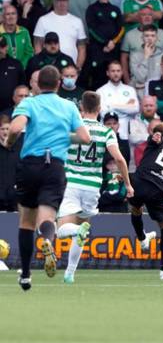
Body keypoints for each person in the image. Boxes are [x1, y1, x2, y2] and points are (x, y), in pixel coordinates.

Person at [6, 65, 91, 291]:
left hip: (30, 165)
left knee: (25, 221)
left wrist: (8, 143)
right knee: (47, 218)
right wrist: (63, 137)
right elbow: (85, 137)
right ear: (59, 84)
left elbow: (15, 128)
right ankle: (46, 239)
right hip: (54, 165)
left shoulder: (29, 103)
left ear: (36, 85)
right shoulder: (68, 106)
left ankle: (25, 275)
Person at [56, 91, 133, 284]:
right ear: (99, 109)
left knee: (62, 229)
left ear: (81, 107)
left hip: (71, 183)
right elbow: (119, 159)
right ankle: (70, 274)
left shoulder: (73, 129)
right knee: (82, 229)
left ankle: (75, 231)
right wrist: (128, 183)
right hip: (92, 187)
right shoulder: (106, 131)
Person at [128, 122, 163, 280]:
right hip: (158, 188)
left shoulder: (156, 141)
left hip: (141, 181)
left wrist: (153, 137)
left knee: (136, 209)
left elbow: (154, 139)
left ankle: (142, 239)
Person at [33, 0, 87, 71]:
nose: (62, 3)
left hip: (70, 68)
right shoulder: (43, 20)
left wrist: (77, 67)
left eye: (64, 0)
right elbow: (37, 45)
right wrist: (40, 65)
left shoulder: (77, 21)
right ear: (54, 1)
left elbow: (82, 48)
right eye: (59, 0)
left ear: (68, 1)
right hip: (48, 68)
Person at [85, 0, 125, 89]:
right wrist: (105, 42)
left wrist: (113, 42)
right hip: (97, 49)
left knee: (113, 73)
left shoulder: (115, 9)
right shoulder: (92, 9)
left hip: (113, 49)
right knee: (96, 75)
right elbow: (91, 29)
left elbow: (121, 29)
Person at [120, 5, 163, 84]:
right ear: (138, 17)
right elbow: (124, 58)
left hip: (158, 80)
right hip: (138, 81)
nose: (147, 17)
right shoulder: (129, 35)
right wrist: (127, 81)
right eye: (144, 15)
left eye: (150, 15)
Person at [97, 60, 139, 141]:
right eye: (113, 71)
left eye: (118, 71)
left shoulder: (130, 90)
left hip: (127, 134)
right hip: (107, 135)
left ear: (122, 72)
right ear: (107, 73)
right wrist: (126, 108)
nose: (116, 74)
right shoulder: (100, 91)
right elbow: (103, 113)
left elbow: (135, 109)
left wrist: (113, 106)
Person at [129, 24, 163, 97]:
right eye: (147, 36)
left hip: (159, 94)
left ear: (157, 38)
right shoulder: (134, 56)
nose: (149, 38)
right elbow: (140, 78)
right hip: (140, 95)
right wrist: (146, 57)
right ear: (142, 38)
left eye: (152, 36)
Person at [0, 4, 34, 69]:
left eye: (13, 13)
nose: (11, 17)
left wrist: (20, 66)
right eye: (8, 14)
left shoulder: (24, 31)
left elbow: (29, 52)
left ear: (17, 16)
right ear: (3, 17)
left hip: (22, 70)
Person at [0, 114, 20, 211]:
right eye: (2, 129)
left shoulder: (19, 148)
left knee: (8, 225)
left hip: (13, 198)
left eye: (7, 129)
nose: (5, 132)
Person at [0, 37, 26, 113]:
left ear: (7, 47)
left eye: (2, 46)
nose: (0, 49)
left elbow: (22, 85)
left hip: (11, 109)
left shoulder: (16, 64)